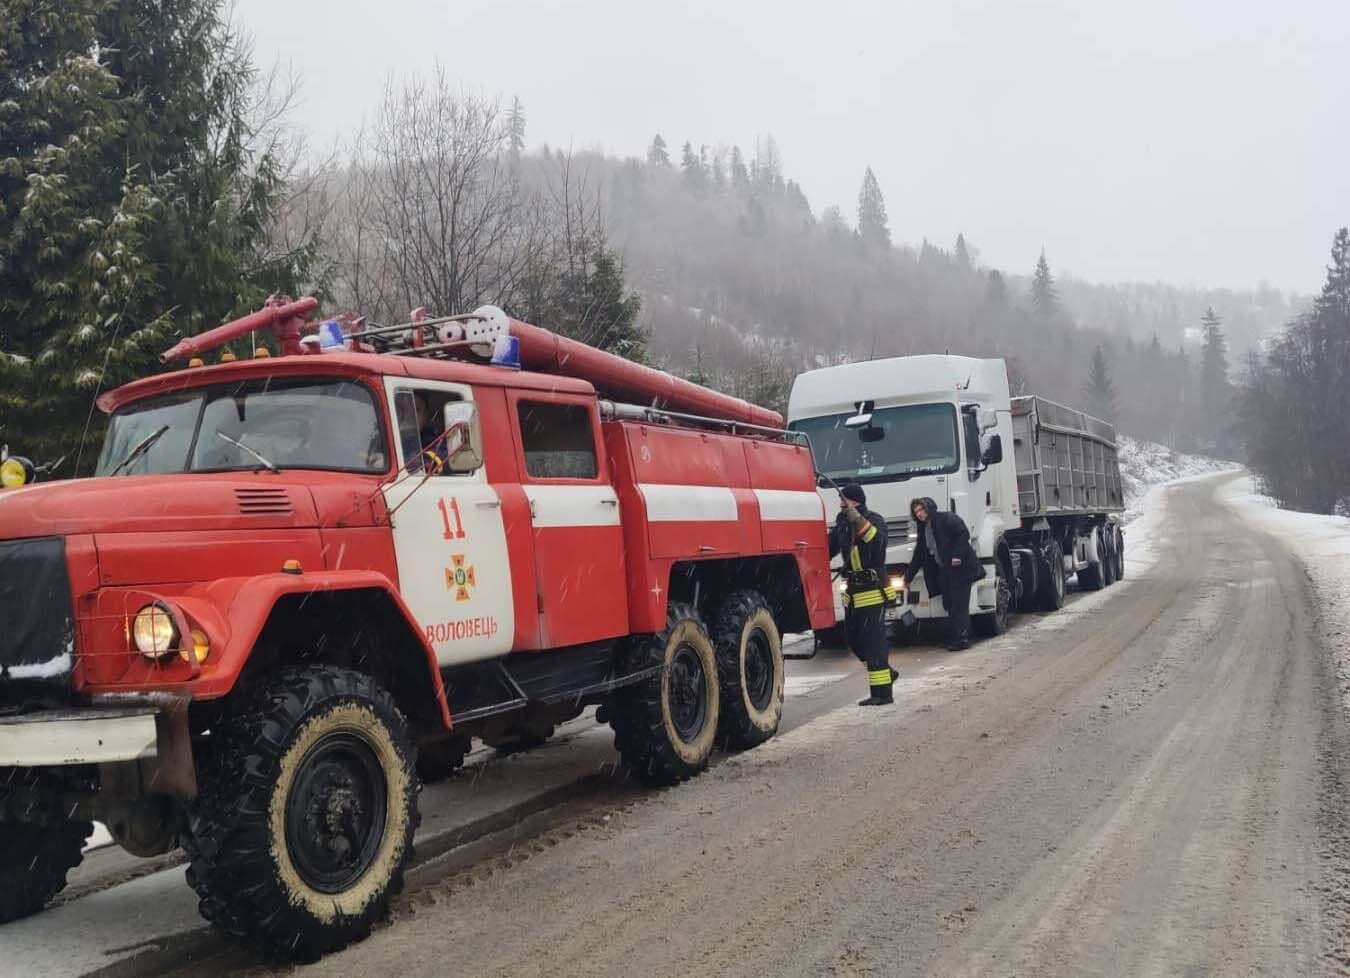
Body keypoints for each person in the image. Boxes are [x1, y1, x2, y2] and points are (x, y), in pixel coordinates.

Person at [829, 483, 899, 706]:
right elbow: (828, 547)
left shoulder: (874, 519)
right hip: (853, 591)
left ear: (855, 501)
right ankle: (886, 672)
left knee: (874, 644)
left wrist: (857, 519)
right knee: (854, 641)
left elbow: (875, 541)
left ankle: (882, 694)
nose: (841, 503)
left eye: (844, 500)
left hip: (873, 589)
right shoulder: (841, 523)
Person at [902, 497, 985, 651]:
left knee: (959, 605)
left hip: (961, 569)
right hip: (945, 570)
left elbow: (963, 534)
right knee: (949, 604)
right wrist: (908, 576)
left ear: (929, 508)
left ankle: (962, 638)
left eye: (922, 510)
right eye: (916, 512)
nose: (920, 514)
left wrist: (957, 556)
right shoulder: (924, 528)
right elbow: (920, 553)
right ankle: (956, 637)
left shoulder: (946, 518)